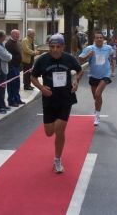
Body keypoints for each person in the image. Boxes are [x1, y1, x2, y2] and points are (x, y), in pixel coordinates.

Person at [30, 34, 83, 173]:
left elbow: (80, 70)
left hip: (66, 98)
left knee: (60, 130)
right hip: (49, 98)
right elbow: (32, 77)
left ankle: (57, 160)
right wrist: (41, 88)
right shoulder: (42, 60)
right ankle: (57, 155)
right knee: (49, 132)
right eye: (52, 47)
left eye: (58, 47)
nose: (55, 49)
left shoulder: (69, 58)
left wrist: (76, 81)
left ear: (63, 47)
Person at [79, 31, 114, 126]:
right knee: (96, 97)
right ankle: (97, 109)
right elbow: (80, 59)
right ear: (94, 39)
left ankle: (97, 116)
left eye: (101, 37)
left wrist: (112, 70)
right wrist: (88, 55)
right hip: (93, 75)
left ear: (103, 39)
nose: (99, 39)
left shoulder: (108, 48)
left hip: (105, 75)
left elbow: (111, 57)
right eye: (97, 37)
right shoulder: (89, 48)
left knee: (98, 94)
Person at [5, 29, 25, 107]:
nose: (17, 36)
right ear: (11, 34)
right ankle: (11, 101)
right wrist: (11, 67)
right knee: (12, 85)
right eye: (15, 34)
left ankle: (17, 99)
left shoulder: (17, 42)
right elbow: (8, 57)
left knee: (17, 85)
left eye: (18, 34)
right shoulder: (8, 44)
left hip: (17, 67)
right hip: (12, 68)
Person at [0, 30, 12, 114]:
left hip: (3, 69)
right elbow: (7, 57)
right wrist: (9, 56)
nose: (5, 37)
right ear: (0, 37)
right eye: (4, 36)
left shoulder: (1, 45)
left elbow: (8, 54)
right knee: (0, 89)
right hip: (0, 71)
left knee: (3, 89)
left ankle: (2, 105)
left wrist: (9, 55)